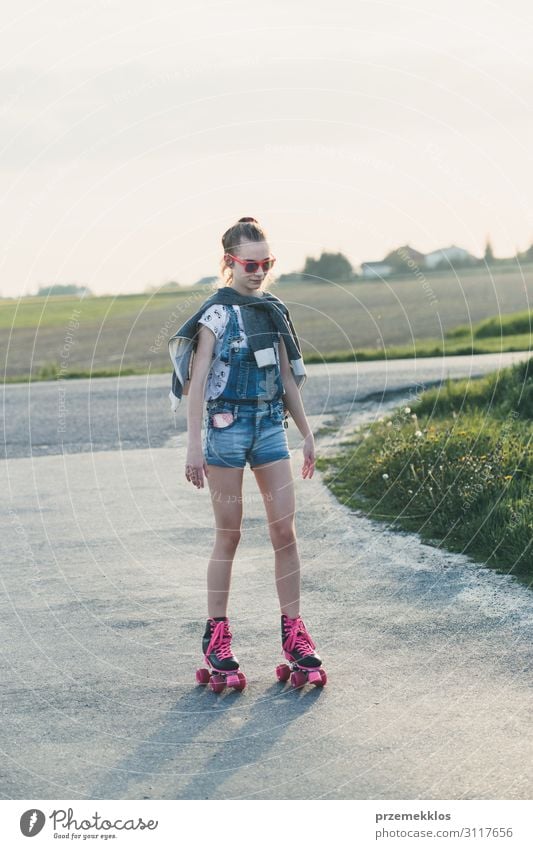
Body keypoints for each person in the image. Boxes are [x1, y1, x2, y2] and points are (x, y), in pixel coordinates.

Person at [170, 217, 326, 690]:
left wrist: (306, 433)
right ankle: (216, 636)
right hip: (224, 430)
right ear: (229, 263)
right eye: (250, 264)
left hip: (267, 428)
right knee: (230, 535)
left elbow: (285, 379)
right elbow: (197, 385)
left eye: (266, 263)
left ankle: (294, 635)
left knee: (284, 530)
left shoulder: (273, 312)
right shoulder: (215, 314)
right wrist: (194, 445)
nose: (259, 272)